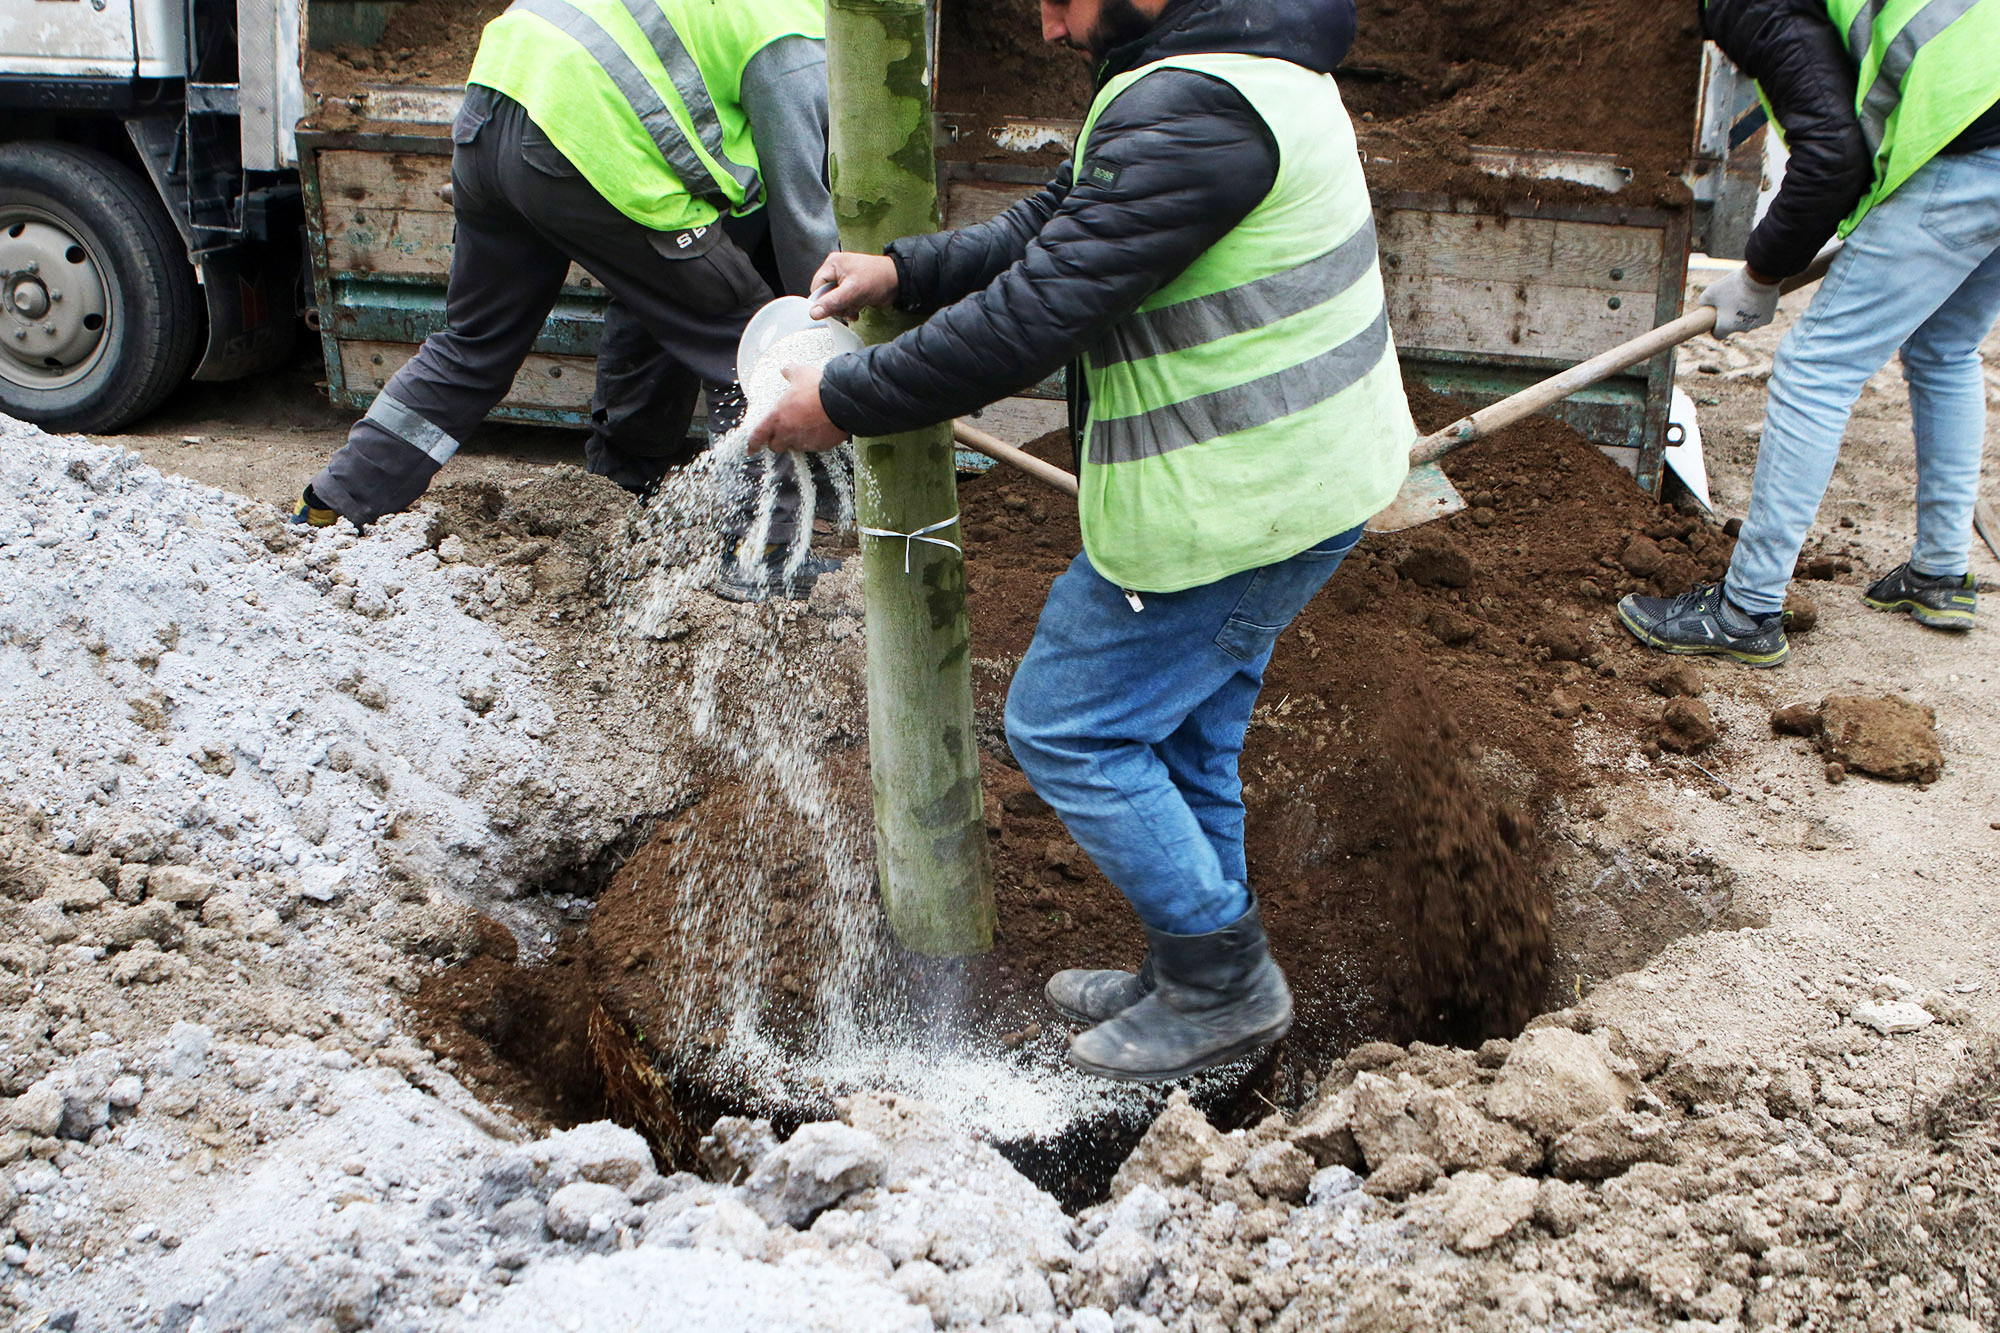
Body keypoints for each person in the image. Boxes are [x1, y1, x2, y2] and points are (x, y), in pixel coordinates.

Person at [749, 0, 1413, 1081]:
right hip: (1295, 484)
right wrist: (907, 271)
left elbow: (1036, 310)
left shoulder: (1198, 113)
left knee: (1069, 727)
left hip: (1231, 509)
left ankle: (1220, 981)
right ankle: (1188, 968)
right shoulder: (1222, 59)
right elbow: (1057, 222)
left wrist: (848, 397)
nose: (1050, 30)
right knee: (1187, 737)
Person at [293, 0, 842, 601]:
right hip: (583, 132)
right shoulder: (795, 29)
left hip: (495, 102)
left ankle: (331, 507)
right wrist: (821, 327)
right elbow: (802, 208)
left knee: (473, 345)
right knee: (752, 345)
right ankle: (764, 555)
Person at [1617, 0, 2000, 666]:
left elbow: (1831, 156)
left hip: (1969, 143)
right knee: (1944, 348)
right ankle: (1939, 572)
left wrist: (1760, 276)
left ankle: (1746, 610)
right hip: (1984, 129)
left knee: (1814, 367)